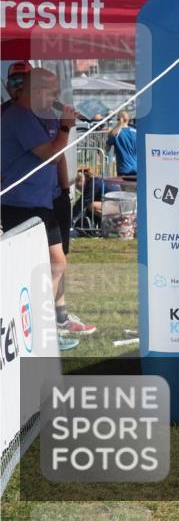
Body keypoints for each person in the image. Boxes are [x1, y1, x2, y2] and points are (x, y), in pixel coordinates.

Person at [1, 68, 96, 347]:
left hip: (43, 201)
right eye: (52, 92)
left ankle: (48, 323)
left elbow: (58, 156)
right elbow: (52, 155)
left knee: (55, 262)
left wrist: (64, 190)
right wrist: (66, 126)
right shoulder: (18, 117)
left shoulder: (39, 116)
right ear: (36, 91)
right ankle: (38, 327)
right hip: (22, 203)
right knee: (48, 264)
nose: (56, 97)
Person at [105, 111, 137, 177]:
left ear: (117, 119)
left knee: (122, 184)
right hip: (136, 167)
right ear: (128, 119)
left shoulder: (115, 133)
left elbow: (107, 149)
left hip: (123, 168)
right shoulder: (135, 132)